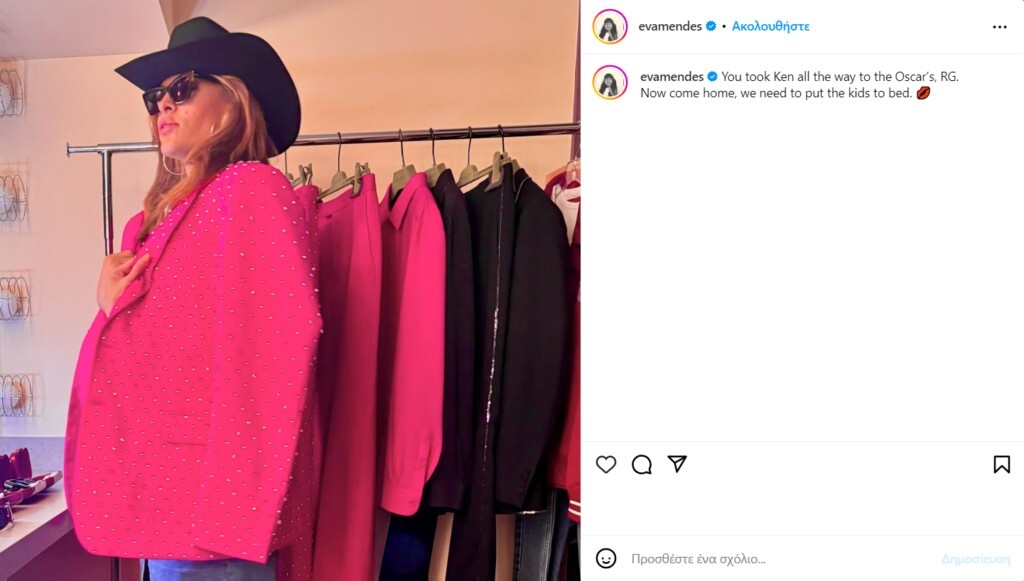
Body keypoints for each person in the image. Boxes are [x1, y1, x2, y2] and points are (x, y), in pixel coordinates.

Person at [64, 17, 322, 581]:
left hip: (211, 518)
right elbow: (151, 354)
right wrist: (109, 302)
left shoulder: (250, 188)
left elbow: (277, 347)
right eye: (155, 96)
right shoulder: (163, 219)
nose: (162, 104)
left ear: (234, 97)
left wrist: (233, 512)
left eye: (181, 88)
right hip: (167, 505)